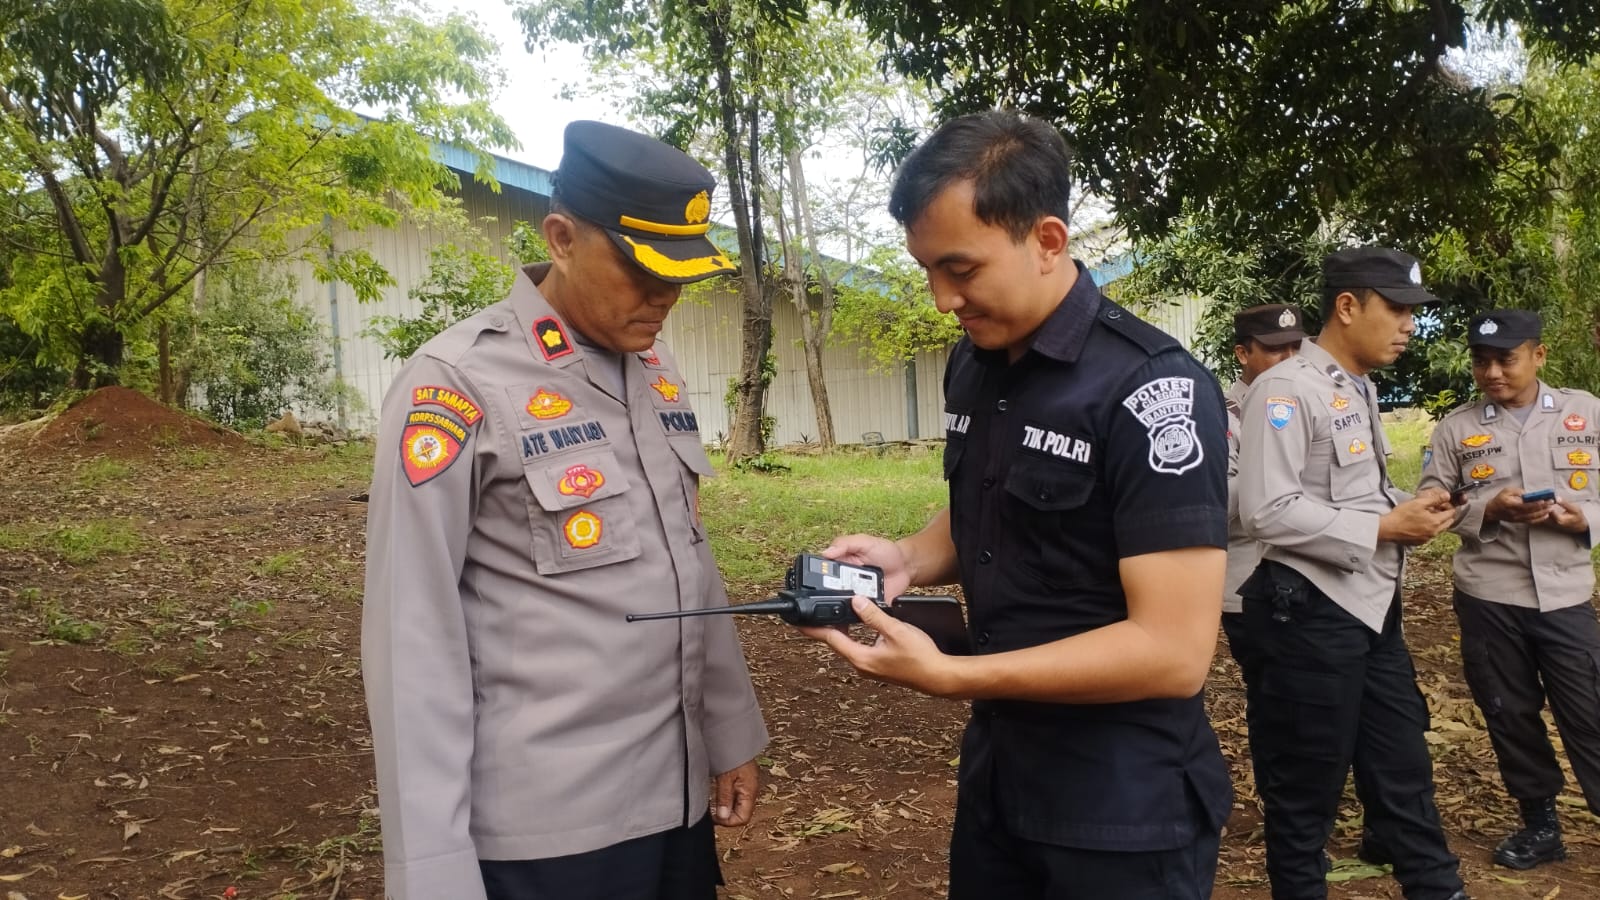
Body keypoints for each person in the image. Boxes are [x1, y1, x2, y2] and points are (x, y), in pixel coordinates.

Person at [801, 110, 1234, 900]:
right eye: (927, 270)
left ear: (1047, 241)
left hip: (1121, 809)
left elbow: (1173, 651)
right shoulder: (976, 363)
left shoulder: (1151, 390)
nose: (941, 300)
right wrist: (909, 558)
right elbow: (998, 507)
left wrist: (957, 676)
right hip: (1000, 782)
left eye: (961, 269)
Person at [361, 120, 768, 900]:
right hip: (549, 829)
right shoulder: (457, 381)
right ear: (561, 238)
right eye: (642, 270)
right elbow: (411, 637)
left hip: (676, 803)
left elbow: (688, 558)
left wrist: (728, 731)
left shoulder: (653, 367)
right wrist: (433, 874)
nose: (665, 298)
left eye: (680, 276)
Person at [1235, 246, 1469, 900]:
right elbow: (1266, 509)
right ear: (1347, 306)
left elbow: (1360, 494)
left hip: (1372, 608)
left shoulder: (1357, 385)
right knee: (1305, 792)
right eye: (1396, 310)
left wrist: (1420, 508)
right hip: (1307, 616)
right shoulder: (1285, 390)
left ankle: (1438, 888)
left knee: (1403, 771)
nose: (1409, 326)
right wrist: (1384, 529)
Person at [1418, 309, 1600, 870]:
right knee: (1510, 713)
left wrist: (1585, 518)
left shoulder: (1585, 412)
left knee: (1589, 709)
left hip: (1565, 594)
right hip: (1490, 596)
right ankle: (1541, 824)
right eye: (1481, 361)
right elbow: (1430, 504)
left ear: (1538, 355)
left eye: (1506, 359)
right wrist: (1487, 510)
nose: (1492, 372)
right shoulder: (1456, 429)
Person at [1223, 304, 1307, 648]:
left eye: (1296, 348)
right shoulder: (1222, 417)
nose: (1290, 359)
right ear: (1243, 354)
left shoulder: (1311, 405)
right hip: (1252, 586)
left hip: (1312, 580)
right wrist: (1265, 472)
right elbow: (1216, 504)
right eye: (1275, 349)